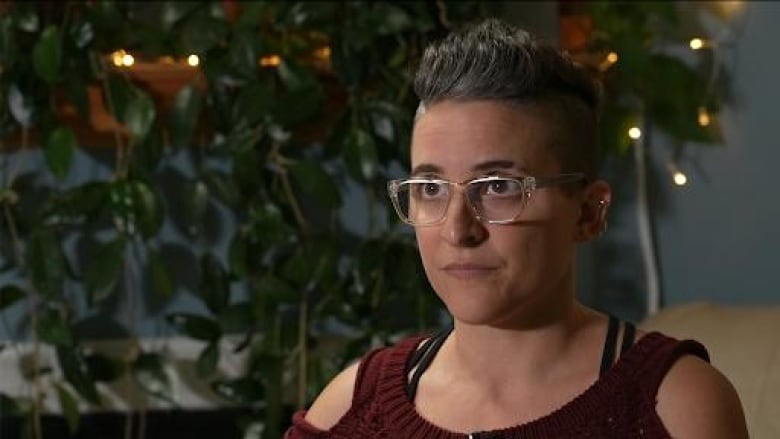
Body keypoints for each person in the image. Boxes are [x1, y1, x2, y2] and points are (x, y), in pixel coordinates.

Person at [285, 18, 748, 438]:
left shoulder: (676, 405)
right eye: (430, 188)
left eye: (498, 186)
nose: (457, 229)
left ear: (588, 212)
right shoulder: (351, 409)